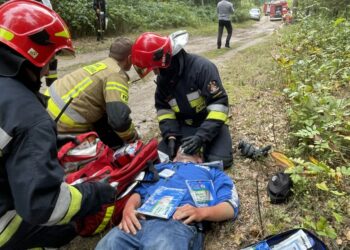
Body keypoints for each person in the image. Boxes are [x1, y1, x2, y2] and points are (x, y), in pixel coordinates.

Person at [0, 1, 117, 249]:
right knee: (64, 222)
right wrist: (96, 194)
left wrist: (53, 142)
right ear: (37, 53)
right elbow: (45, 205)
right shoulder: (31, 117)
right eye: (53, 57)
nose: (48, 68)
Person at [95, 151, 240, 249]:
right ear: (175, 156)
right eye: (181, 147)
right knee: (109, 244)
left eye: (192, 150)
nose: (185, 148)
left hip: (176, 224)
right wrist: (128, 209)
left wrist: (201, 212)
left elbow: (230, 206)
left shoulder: (213, 172)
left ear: (199, 159)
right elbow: (139, 191)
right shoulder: (159, 167)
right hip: (138, 221)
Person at [131, 31, 233, 169]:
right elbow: (164, 111)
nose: (155, 73)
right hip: (184, 126)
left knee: (220, 161)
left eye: (155, 68)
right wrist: (171, 136)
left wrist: (201, 137)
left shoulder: (202, 68)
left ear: (165, 60)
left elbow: (219, 106)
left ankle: (207, 146)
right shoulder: (164, 80)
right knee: (160, 158)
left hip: (210, 124)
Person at [46, 37, 138, 148]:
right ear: (129, 58)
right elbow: (119, 121)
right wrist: (133, 137)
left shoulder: (102, 65)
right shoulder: (116, 75)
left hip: (45, 110)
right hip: (62, 124)